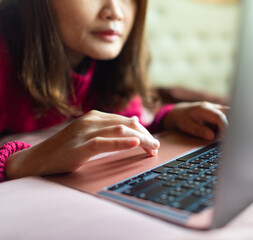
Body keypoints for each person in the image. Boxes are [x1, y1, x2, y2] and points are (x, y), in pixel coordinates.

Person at [0, 0, 228, 182]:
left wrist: (168, 120)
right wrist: (20, 162)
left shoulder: (110, 63)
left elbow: (124, 126)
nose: (115, 12)